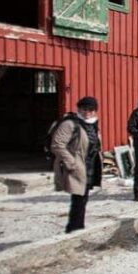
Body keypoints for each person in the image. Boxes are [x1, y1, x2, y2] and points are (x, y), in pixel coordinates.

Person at [50, 96, 102, 233]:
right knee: (78, 198)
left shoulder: (92, 123)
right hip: (77, 165)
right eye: (84, 109)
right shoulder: (70, 124)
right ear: (78, 108)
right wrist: (71, 162)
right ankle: (74, 228)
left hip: (89, 165)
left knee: (82, 198)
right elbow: (57, 145)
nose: (87, 112)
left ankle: (78, 226)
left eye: (91, 110)